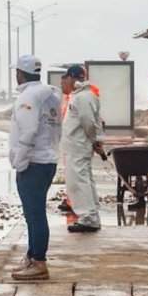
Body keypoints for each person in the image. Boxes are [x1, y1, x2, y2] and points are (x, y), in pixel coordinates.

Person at [8, 55, 63, 281]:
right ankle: (32, 256)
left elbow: (28, 132)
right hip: (47, 160)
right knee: (35, 214)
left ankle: (38, 262)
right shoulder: (49, 95)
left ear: (20, 73)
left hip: (33, 164)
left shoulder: (28, 97)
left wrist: (19, 162)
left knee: (35, 215)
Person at [60, 65, 105, 232]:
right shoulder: (84, 95)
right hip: (78, 146)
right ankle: (91, 215)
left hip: (77, 146)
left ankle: (88, 218)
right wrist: (97, 140)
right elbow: (95, 121)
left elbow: (88, 121)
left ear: (71, 78)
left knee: (79, 183)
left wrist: (95, 139)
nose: (62, 83)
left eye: (64, 79)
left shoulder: (82, 97)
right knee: (84, 181)